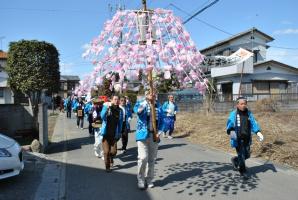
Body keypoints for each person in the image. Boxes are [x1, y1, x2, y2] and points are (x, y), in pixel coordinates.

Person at [226, 96, 264, 177]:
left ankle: (235, 160)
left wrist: (258, 132)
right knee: (242, 155)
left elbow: (253, 123)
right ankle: (242, 171)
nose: (243, 105)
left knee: (247, 155)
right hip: (238, 138)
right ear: (237, 105)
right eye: (241, 104)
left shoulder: (249, 114)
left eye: (245, 104)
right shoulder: (234, 114)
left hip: (247, 138)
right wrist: (230, 130)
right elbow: (229, 123)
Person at [133, 90, 163, 189]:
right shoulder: (141, 103)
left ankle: (149, 179)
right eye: (151, 93)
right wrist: (147, 102)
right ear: (146, 95)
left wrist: (159, 133)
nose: (153, 95)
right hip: (142, 135)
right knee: (142, 158)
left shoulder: (158, 106)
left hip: (154, 136)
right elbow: (138, 111)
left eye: (154, 94)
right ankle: (140, 179)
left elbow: (162, 122)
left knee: (152, 160)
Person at [100, 95, 123, 172]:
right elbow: (102, 116)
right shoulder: (107, 107)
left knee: (113, 152)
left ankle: (111, 158)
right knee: (106, 152)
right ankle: (107, 167)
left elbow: (120, 123)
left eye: (118, 99)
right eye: (115, 99)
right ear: (112, 100)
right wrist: (106, 108)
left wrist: (119, 132)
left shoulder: (120, 110)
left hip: (114, 134)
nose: (116, 100)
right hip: (106, 134)